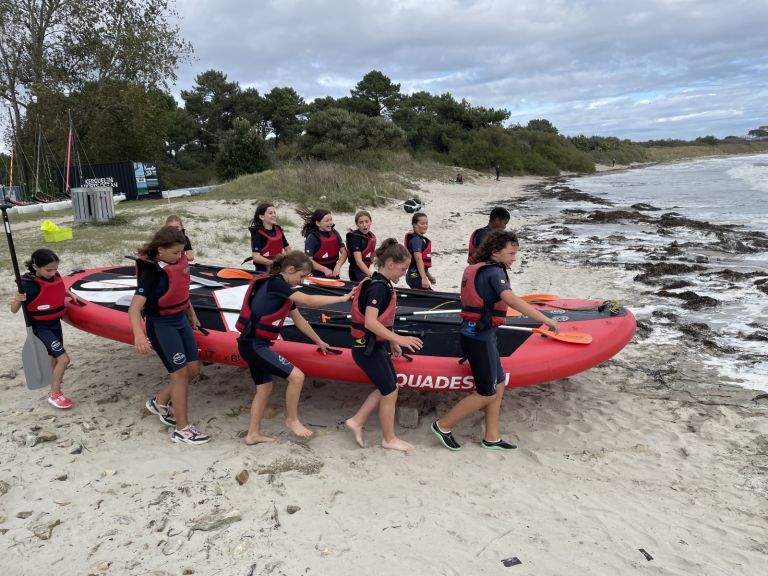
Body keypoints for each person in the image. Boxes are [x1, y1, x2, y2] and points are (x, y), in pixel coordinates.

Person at [431, 230, 560, 452]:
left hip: (483, 335)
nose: (514, 258)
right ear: (495, 251)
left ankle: (491, 437)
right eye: (511, 253)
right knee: (486, 392)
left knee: (499, 384)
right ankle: (443, 426)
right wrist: (545, 319)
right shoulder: (492, 273)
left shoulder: (485, 268)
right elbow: (509, 298)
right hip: (478, 338)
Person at [236, 251, 357, 443]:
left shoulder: (282, 291)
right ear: (290, 270)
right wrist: (342, 299)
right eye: (301, 276)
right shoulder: (276, 284)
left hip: (253, 343)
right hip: (253, 345)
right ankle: (292, 420)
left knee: (264, 389)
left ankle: (253, 434)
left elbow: (300, 321)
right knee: (297, 376)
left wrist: (319, 341)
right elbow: (308, 300)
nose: (301, 281)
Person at [128, 226, 209, 445]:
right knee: (180, 376)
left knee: (193, 370)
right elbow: (134, 309)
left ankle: (160, 402)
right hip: (161, 325)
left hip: (180, 320)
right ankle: (182, 429)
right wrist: (139, 336)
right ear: (160, 249)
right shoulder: (150, 273)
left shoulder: (177, 263)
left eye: (182, 252)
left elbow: (180, 290)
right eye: (175, 253)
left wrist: (191, 314)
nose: (180, 257)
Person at [345, 239, 423, 452]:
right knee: (389, 391)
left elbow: (381, 321)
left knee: (390, 387)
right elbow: (370, 322)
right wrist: (400, 339)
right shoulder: (378, 288)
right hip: (366, 348)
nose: (403, 274)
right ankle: (388, 439)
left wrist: (390, 340)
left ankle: (357, 421)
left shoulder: (382, 284)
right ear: (390, 264)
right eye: (402, 269)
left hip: (375, 346)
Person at [11, 248, 80, 409]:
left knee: (53, 358)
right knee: (64, 359)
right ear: (35, 267)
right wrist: (17, 299)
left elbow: (55, 288)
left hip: (55, 323)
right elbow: (14, 310)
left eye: (56, 269)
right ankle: (55, 394)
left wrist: (69, 293)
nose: (53, 273)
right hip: (41, 328)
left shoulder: (53, 276)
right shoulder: (28, 285)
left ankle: (51, 383)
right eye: (49, 270)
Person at [299, 208, 347, 278]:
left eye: (331, 220)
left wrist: (338, 266)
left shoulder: (335, 233)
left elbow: (344, 252)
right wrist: (324, 270)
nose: (330, 223)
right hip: (317, 272)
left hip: (333, 270)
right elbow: (309, 260)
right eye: (327, 221)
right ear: (318, 223)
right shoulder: (312, 238)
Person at [248, 203, 291, 273]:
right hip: (263, 271)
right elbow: (256, 257)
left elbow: (287, 248)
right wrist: (273, 264)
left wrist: (292, 261)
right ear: (262, 217)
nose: (274, 215)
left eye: (274, 213)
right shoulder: (257, 233)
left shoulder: (278, 229)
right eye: (270, 213)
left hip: (279, 269)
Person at [404, 212, 435, 290]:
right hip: (414, 276)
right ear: (414, 225)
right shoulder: (416, 240)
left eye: (426, 223)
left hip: (414, 275)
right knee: (430, 299)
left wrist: (429, 277)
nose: (425, 226)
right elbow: (418, 259)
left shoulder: (418, 239)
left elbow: (422, 264)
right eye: (422, 223)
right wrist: (424, 278)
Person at [346, 210, 376, 282]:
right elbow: (358, 262)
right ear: (357, 224)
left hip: (365, 269)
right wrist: (371, 275)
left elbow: (371, 253)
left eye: (366, 221)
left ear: (371, 222)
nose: (364, 225)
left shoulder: (370, 235)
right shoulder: (355, 238)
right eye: (361, 222)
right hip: (356, 271)